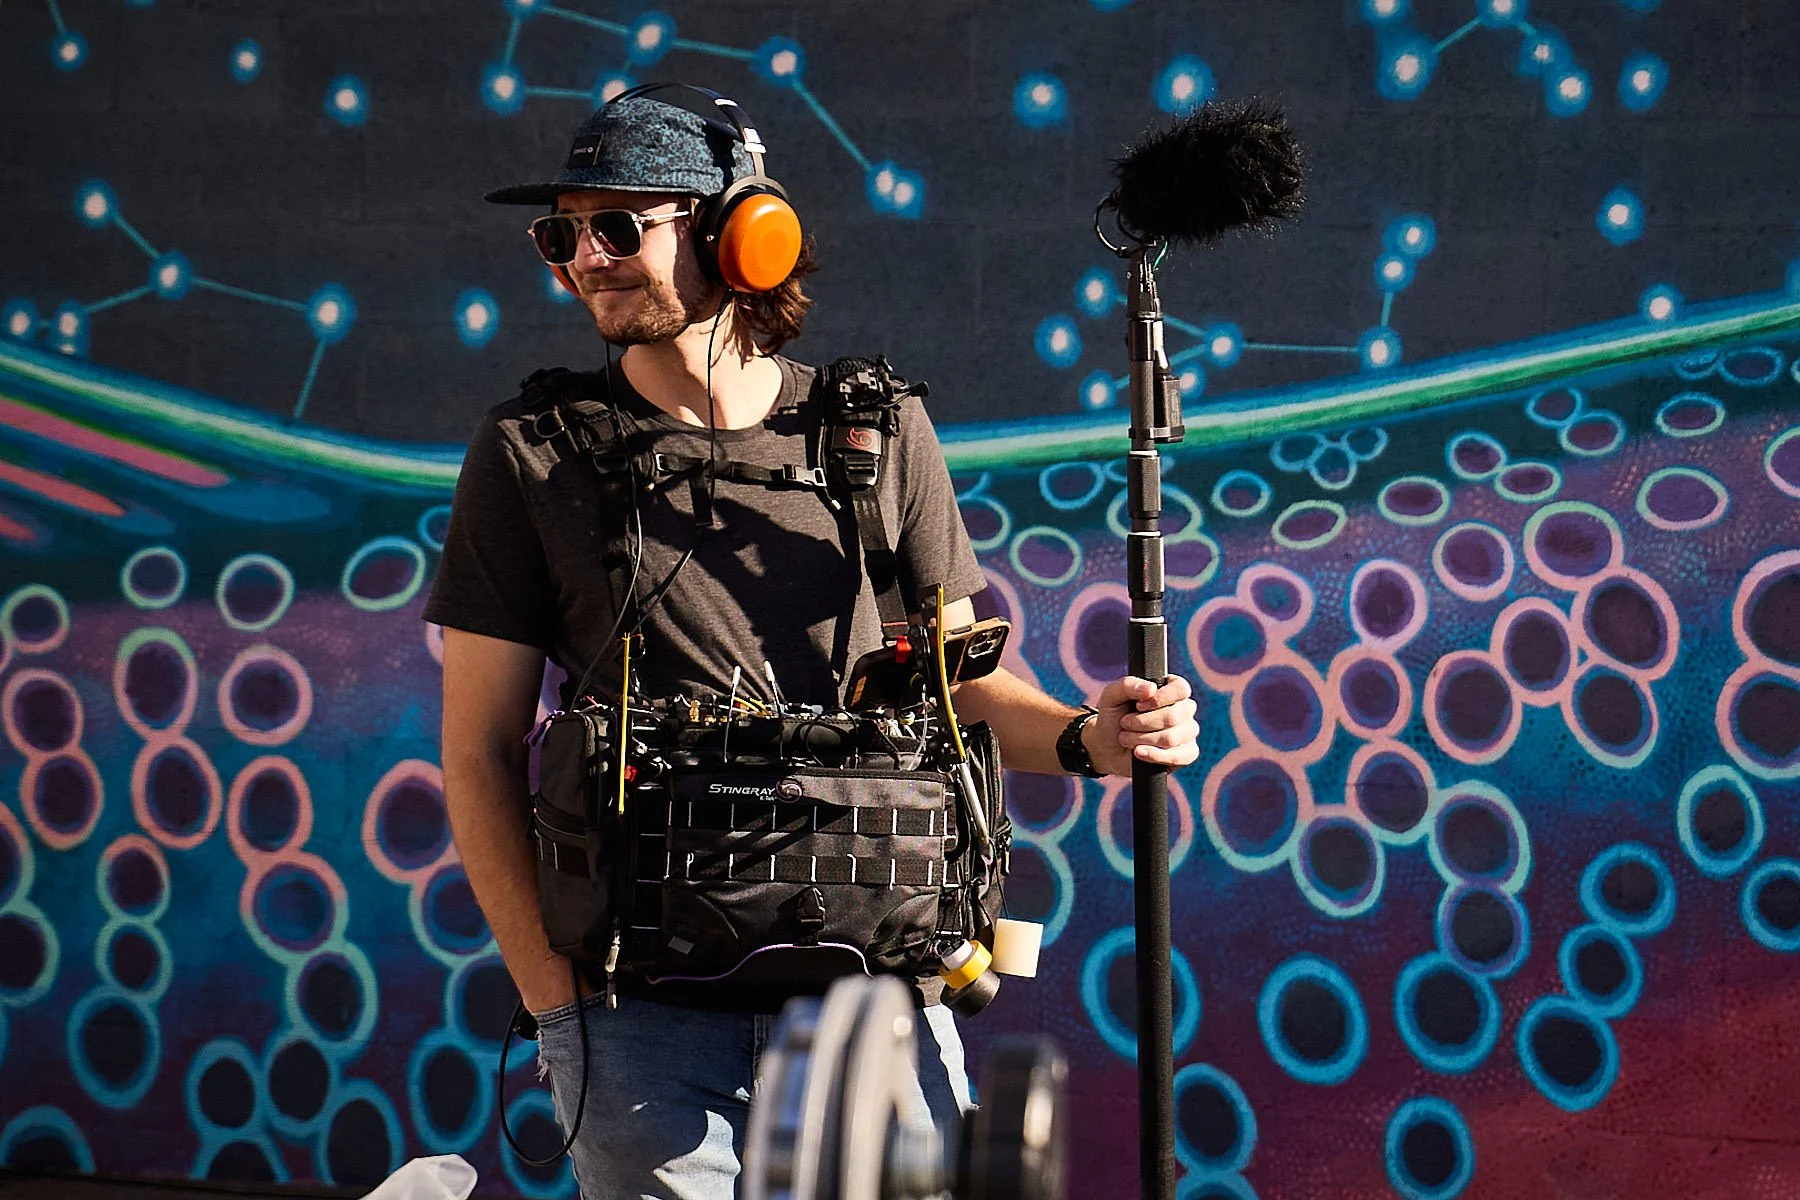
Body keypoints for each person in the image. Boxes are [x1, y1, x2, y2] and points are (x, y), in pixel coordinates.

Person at [424, 84, 1200, 1200]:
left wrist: (1092, 738)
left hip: (873, 1008)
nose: (583, 260)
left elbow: (967, 689)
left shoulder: (878, 435)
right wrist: (559, 1004)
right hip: (642, 1025)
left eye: (617, 227)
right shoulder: (531, 455)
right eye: (561, 235)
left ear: (742, 234)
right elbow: (477, 755)